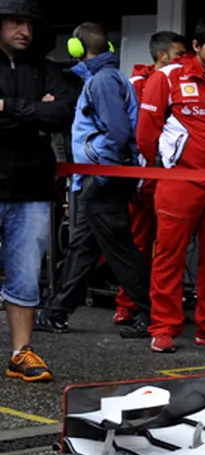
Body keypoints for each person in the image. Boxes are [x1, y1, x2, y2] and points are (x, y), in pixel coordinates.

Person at [35, 22, 152, 338]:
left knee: (119, 249)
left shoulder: (102, 81)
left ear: (76, 48)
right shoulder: (107, 78)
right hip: (99, 177)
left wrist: (101, 175)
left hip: (102, 178)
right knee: (82, 246)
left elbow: (118, 132)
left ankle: (151, 312)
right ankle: (56, 312)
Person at [137, 18, 205, 353]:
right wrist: (160, 173)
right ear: (196, 47)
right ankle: (163, 327)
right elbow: (145, 134)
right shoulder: (168, 77)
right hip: (179, 181)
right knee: (169, 256)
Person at [0, 0, 72, 382]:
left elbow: (63, 113)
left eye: (28, 23)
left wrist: (7, 109)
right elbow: (45, 117)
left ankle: (20, 353)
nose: (24, 30)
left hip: (31, 185)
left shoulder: (46, 70)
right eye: (15, 22)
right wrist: (33, 115)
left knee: (26, 273)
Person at [111, 29, 186, 326]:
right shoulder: (134, 84)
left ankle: (158, 308)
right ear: (162, 56)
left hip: (171, 178)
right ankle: (126, 303)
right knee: (139, 244)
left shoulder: (184, 82)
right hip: (142, 177)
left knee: (167, 249)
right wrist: (134, 176)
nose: (186, 61)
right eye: (180, 55)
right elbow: (125, 132)